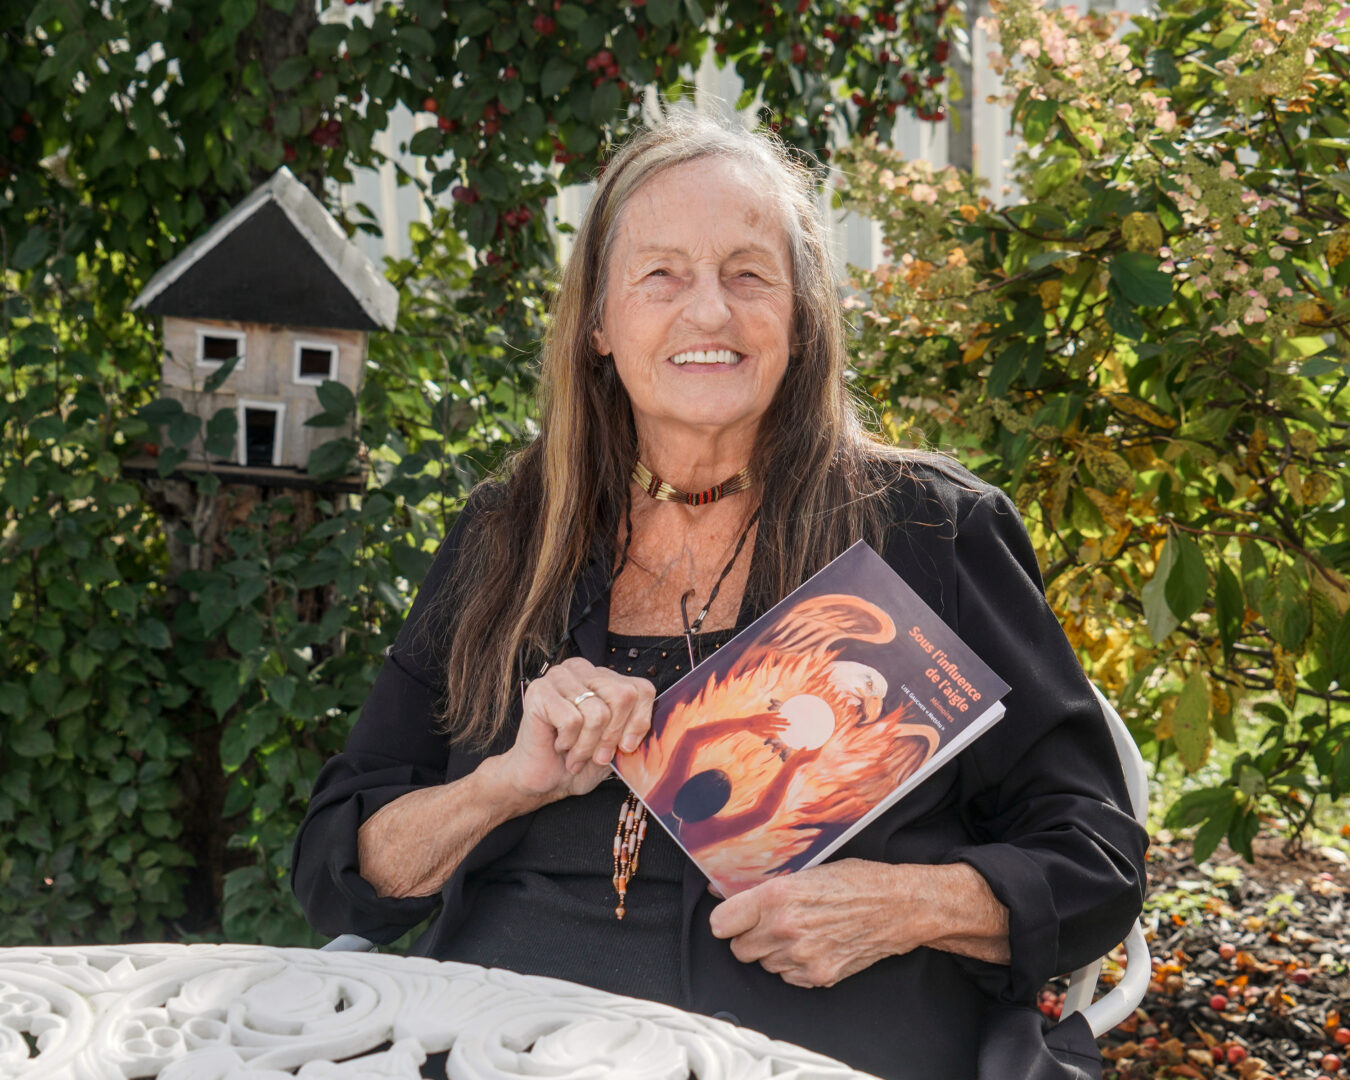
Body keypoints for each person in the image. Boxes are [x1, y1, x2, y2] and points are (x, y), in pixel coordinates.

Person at [291, 110, 1147, 1080]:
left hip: (824, 1048)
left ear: (800, 317)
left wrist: (902, 905)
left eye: (748, 274)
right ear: (600, 325)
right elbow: (337, 873)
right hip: (512, 1043)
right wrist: (503, 785)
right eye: (661, 274)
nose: (709, 312)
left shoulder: (929, 532)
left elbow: (1096, 860)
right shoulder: (508, 538)